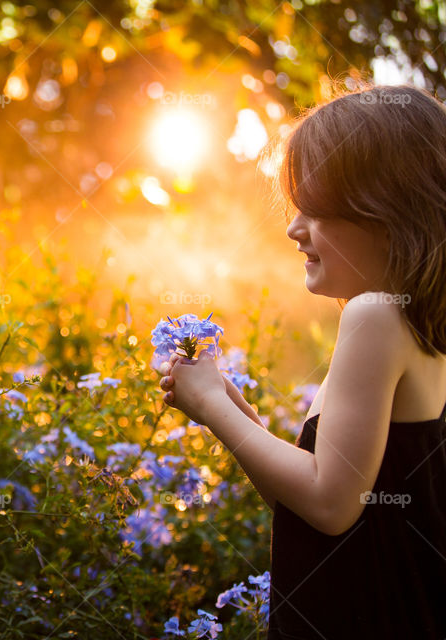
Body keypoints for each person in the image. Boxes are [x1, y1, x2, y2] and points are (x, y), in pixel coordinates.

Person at [159, 83, 446, 639]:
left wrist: (213, 405)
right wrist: (241, 420)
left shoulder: (374, 316)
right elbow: (316, 504)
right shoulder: (419, 327)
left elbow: (330, 504)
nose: (293, 230)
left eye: (315, 211)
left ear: (386, 212)